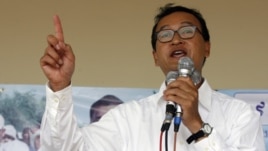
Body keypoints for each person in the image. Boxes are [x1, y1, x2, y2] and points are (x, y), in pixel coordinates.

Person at [39, 3, 265, 150]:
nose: (176, 40)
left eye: (187, 31)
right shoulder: (127, 119)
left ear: (207, 47)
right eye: (165, 35)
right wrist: (60, 86)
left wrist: (196, 124)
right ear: (155, 56)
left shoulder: (240, 115)